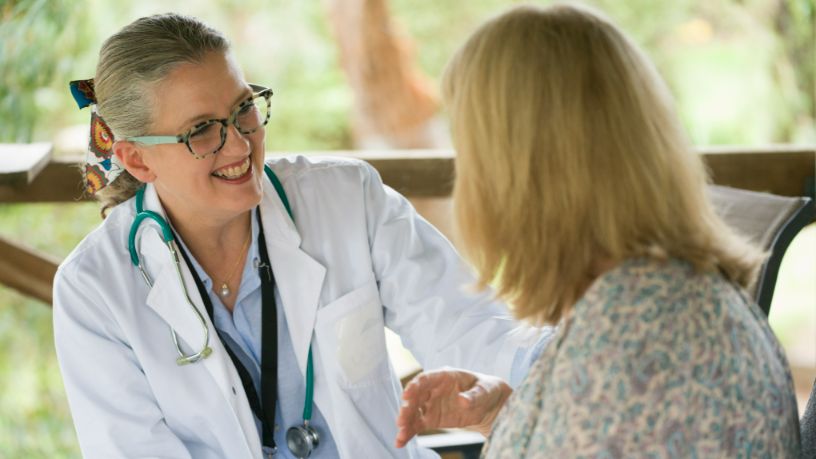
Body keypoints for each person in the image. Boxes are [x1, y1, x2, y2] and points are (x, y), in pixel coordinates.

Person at [53, 13, 552, 459]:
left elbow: (470, 328)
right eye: (202, 129)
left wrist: (576, 366)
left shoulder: (346, 198)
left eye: (243, 108)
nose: (240, 142)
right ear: (137, 158)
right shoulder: (94, 290)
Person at [395, 3, 802, 457]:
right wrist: (506, 415)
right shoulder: (660, 302)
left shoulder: (628, 352)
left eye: (470, 152)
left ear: (518, 175)